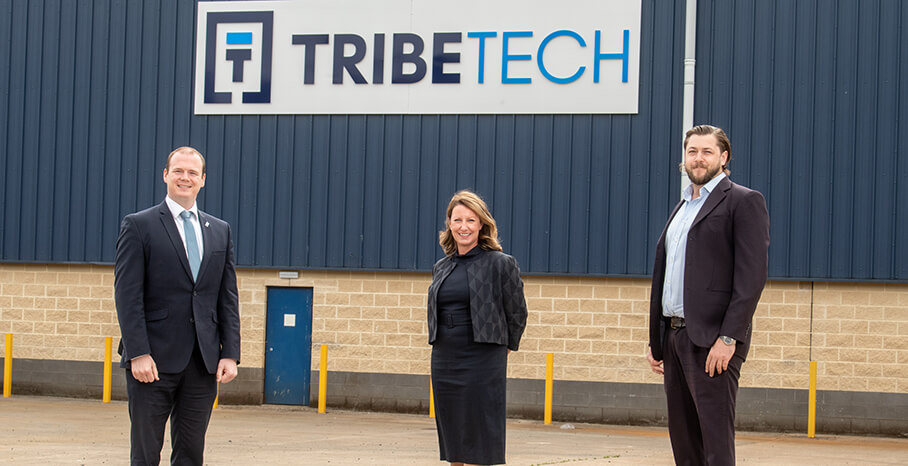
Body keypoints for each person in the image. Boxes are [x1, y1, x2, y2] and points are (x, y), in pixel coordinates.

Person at [647, 125, 770, 466]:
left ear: (723, 157)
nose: (698, 159)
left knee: (714, 441)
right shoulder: (683, 207)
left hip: (713, 341)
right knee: (684, 440)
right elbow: (668, 276)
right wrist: (656, 338)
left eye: (706, 152)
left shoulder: (744, 201)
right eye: (692, 152)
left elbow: (751, 278)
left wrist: (728, 337)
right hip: (674, 337)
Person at [115, 146, 241, 465]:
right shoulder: (139, 225)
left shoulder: (220, 231)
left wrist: (230, 353)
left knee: (191, 452)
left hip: (202, 362)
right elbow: (127, 295)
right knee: (146, 453)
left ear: (203, 180)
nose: (185, 178)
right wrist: (139, 353)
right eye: (179, 171)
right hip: (152, 362)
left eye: (192, 173)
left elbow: (227, 296)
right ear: (166, 176)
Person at [427, 190, 528, 466]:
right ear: (449, 224)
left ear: (481, 224)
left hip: (483, 357)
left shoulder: (501, 264)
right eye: (457, 220)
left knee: (479, 433)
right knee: (453, 431)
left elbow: (517, 311)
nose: (463, 227)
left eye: (470, 220)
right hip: (445, 356)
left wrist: (506, 346)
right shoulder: (442, 267)